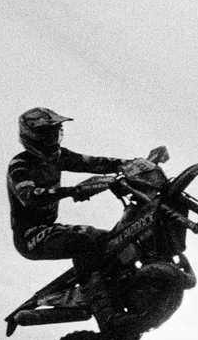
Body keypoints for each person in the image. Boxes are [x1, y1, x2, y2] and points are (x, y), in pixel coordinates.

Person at [8, 106, 131, 297]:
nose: (53, 140)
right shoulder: (20, 165)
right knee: (82, 242)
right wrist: (72, 191)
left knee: (109, 239)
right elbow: (30, 196)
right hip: (29, 236)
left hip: (50, 228)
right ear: (32, 137)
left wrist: (131, 164)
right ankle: (97, 299)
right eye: (47, 135)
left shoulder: (60, 156)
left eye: (56, 133)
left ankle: (125, 287)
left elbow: (93, 162)